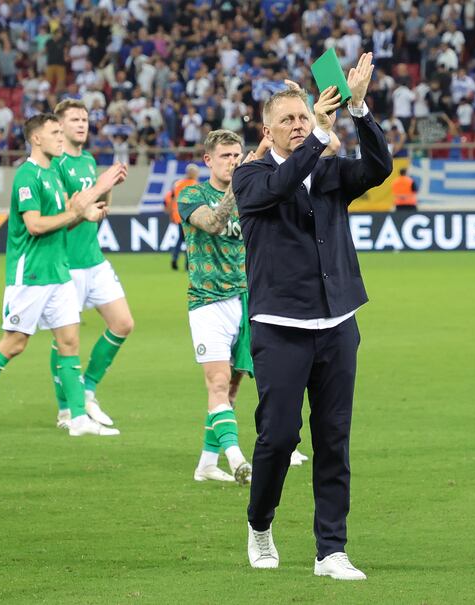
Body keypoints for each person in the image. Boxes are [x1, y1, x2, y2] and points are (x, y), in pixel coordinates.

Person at [233, 53, 391, 580]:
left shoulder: (327, 169)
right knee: (277, 437)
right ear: (268, 129)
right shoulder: (250, 176)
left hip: (337, 323)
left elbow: (379, 168)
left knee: (333, 438)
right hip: (280, 328)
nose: (299, 126)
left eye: (305, 117)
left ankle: (331, 550)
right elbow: (279, 189)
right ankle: (260, 524)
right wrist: (323, 133)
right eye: (289, 120)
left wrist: (360, 107)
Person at [0, 113, 127, 438]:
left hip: (58, 272)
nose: (61, 138)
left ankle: (77, 418)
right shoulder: (27, 176)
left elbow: (61, 221)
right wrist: (76, 211)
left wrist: (83, 216)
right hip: (30, 274)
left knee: (69, 341)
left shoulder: (53, 175)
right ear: (36, 138)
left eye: (62, 132)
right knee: (15, 343)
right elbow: (34, 225)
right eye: (55, 132)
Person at [50, 99, 134, 429]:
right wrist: (100, 186)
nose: (82, 124)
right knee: (64, 340)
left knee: (123, 323)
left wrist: (109, 188)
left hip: (93, 258)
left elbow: (94, 207)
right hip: (64, 264)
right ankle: (66, 409)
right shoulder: (55, 165)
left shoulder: (87, 160)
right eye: (74, 119)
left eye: (85, 119)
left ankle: (86, 389)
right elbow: (69, 212)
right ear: (60, 126)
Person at [177, 130, 255, 485]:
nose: (232, 162)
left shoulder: (249, 191)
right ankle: (237, 458)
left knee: (233, 388)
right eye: (225, 156)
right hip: (207, 302)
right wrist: (238, 186)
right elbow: (213, 223)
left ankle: (207, 464)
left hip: (245, 299)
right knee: (218, 383)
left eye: (237, 155)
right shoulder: (191, 194)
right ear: (208, 160)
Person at [165, 164, 199, 271]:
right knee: (189, 240)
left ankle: (175, 258)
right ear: (193, 174)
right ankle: (187, 264)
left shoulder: (178, 184)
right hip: (189, 216)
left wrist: (171, 214)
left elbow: (172, 199)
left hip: (178, 216)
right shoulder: (195, 185)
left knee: (180, 239)